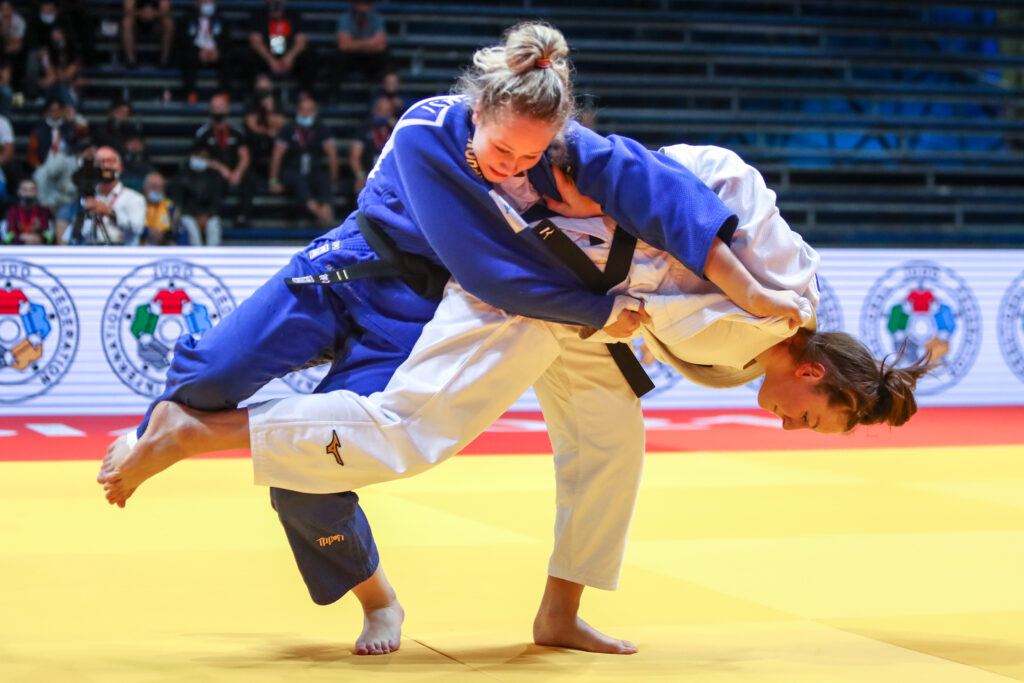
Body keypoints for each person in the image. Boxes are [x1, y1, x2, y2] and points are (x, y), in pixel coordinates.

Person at [96, 21, 789, 656]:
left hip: (418, 312)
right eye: (501, 149)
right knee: (208, 375)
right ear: (476, 110)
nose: (513, 167)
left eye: (530, 155)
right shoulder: (424, 131)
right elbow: (485, 268)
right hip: (348, 267)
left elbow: (664, 190)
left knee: (308, 473)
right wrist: (596, 310)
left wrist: (754, 291)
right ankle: (157, 435)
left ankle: (379, 601)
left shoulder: (562, 152)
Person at [100, 142, 926, 656]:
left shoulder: (748, 359)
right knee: (414, 427)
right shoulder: (787, 289)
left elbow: (661, 302)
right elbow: (716, 171)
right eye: (809, 416)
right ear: (817, 375)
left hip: (596, 312)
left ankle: (559, 614)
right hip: (532, 281)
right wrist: (662, 225)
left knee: (612, 445)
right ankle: (199, 429)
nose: (788, 423)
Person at [269, 93, 337, 227]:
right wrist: (273, 180)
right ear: (297, 111)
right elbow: (277, 156)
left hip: (314, 170)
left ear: (315, 112)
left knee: (323, 181)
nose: (306, 114)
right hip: (293, 171)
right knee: (298, 181)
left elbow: (332, 155)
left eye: (309, 110)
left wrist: (334, 180)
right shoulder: (288, 129)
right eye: (303, 110)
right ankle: (319, 213)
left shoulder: (321, 129)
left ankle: (325, 208)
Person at [235, 0, 317, 98]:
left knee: (309, 57)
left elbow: (301, 41)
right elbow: (255, 41)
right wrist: (271, 60)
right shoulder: (258, 15)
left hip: (289, 57)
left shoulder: (293, 15)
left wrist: (290, 57)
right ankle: (255, 95)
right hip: (266, 57)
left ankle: (305, 96)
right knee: (248, 57)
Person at [64, 145, 146, 245]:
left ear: (120, 167)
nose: (105, 166)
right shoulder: (88, 196)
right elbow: (70, 237)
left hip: (122, 252)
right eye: (100, 162)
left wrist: (110, 213)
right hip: (90, 251)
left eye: (111, 161)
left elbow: (137, 229)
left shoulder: (134, 198)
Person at [194, 93, 254, 224]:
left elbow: (245, 156)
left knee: (250, 179)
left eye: (221, 107)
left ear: (227, 109)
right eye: (215, 108)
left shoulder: (237, 131)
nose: (218, 111)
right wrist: (220, 168)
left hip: (235, 169)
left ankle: (243, 216)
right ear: (210, 110)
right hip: (214, 171)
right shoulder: (203, 133)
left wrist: (238, 172)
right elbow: (196, 160)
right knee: (210, 179)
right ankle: (213, 215)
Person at [329, 1, 390, 99]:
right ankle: (333, 96)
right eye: (359, 3)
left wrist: (353, 43)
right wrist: (370, 43)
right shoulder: (345, 18)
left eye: (366, 3)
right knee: (337, 58)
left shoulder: (377, 18)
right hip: (350, 58)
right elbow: (343, 45)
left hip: (370, 57)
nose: (362, 7)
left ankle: (382, 96)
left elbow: (381, 45)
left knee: (385, 57)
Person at [173, 144, 223, 246]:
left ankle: (213, 254)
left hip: (208, 215)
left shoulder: (214, 177)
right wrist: (195, 216)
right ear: (191, 156)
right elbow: (178, 202)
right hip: (189, 215)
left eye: (204, 157)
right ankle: (196, 252)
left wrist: (207, 215)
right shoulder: (181, 176)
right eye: (197, 155)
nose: (200, 159)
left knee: (214, 224)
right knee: (188, 223)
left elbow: (216, 201)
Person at [180, 0, 227, 104]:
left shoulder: (221, 18)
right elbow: (183, 41)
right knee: (188, 57)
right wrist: (199, 51)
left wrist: (217, 51)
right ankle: (191, 94)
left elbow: (226, 40)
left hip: (215, 52)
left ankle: (224, 94)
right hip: (196, 52)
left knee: (227, 58)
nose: (208, 3)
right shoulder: (188, 18)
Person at [122, 0, 174, 67]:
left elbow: (165, 11)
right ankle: (131, 61)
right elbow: (128, 10)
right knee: (126, 22)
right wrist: (142, 13)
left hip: (156, 24)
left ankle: (164, 61)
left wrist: (153, 13)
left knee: (168, 23)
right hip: (137, 23)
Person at [3, 179, 54, 244]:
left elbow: (50, 235)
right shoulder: (12, 211)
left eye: (32, 190)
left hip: (39, 247)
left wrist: (39, 238)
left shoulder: (44, 211)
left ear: (37, 191)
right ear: (19, 191)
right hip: (16, 248)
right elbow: (7, 236)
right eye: (25, 190)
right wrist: (21, 238)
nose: (28, 193)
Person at [140, 171, 178, 246]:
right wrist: (148, 232)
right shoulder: (136, 203)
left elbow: (179, 231)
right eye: (154, 186)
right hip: (139, 247)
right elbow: (129, 228)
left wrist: (167, 237)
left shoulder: (169, 206)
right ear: (145, 187)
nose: (157, 189)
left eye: (160, 187)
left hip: (163, 247)